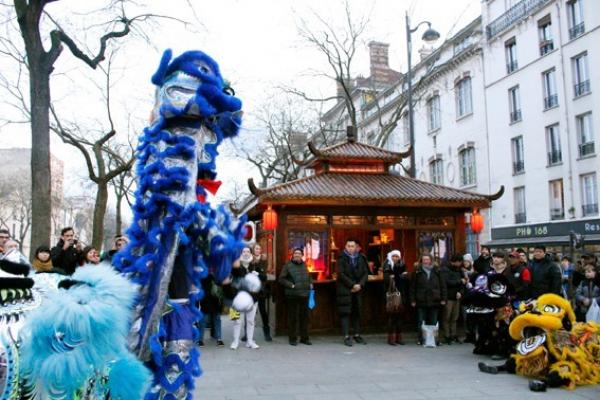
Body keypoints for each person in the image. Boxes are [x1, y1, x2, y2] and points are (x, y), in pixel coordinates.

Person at [225, 247, 260, 350]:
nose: (246, 253)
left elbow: (264, 277)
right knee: (236, 320)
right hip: (236, 298)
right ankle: (235, 341)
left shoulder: (255, 265)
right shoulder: (235, 266)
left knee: (251, 321)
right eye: (243, 251)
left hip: (253, 298)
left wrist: (258, 276)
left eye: (248, 251)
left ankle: (250, 341)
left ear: (251, 253)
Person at [336, 238, 369, 346]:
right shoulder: (341, 258)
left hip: (358, 289)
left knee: (357, 312)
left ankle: (357, 334)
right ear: (345, 247)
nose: (350, 248)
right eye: (348, 246)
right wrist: (352, 285)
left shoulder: (361, 258)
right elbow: (341, 274)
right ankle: (346, 336)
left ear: (356, 247)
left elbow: (365, 273)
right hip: (345, 289)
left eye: (352, 246)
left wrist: (360, 284)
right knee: (345, 313)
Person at [410, 253, 447, 346]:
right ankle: (421, 339)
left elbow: (443, 286)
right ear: (421, 261)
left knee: (434, 321)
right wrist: (413, 300)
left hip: (435, 299)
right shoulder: (417, 272)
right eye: (424, 260)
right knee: (421, 321)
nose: (426, 261)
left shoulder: (437, 271)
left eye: (427, 259)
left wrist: (443, 298)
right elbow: (412, 287)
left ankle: (435, 339)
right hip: (421, 299)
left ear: (431, 260)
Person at [279, 247, 312, 346]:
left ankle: (304, 338)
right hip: (292, 295)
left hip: (304, 294)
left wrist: (310, 283)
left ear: (302, 255)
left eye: (299, 253)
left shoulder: (304, 265)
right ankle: (292, 338)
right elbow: (281, 279)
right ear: (292, 255)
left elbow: (308, 276)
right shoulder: (287, 265)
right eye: (295, 253)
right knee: (293, 318)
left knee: (304, 318)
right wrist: (291, 285)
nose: (297, 255)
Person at [382, 250, 408, 345]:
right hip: (391, 295)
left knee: (400, 316)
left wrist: (396, 276)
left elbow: (406, 278)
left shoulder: (402, 265)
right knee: (392, 316)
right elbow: (387, 280)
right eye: (393, 256)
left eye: (397, 256)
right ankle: (391, 338)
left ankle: (399, 337)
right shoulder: (387, 265)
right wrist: (399, 276)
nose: (395, 258)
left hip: (402, 294)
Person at [440, 254, 466, 345]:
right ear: (454, 261)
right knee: (447, 317)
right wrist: (459, 282)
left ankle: (453, 334)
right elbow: (446, 282)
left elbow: (464, 282)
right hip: (448, 296)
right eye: (459, 262)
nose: (460, 264)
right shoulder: (445, 269)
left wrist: (460, 292)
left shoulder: (460, 270)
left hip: (457, 296)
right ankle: (447, 335)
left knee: (455, 317)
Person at [249, 243, 272, 342]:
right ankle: (247, 334)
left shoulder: (263, 260)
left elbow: (264, 276)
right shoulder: (249, 260)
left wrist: (258, 273)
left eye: (259, 249)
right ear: (253, 250)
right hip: (251, 290)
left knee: (263, 311)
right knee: (250, 312)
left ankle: (267, 333)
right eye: (256, 249)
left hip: (261, 290)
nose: (258, 250)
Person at [198, 273, 224, 347]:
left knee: (217, 319)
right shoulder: (204, 271)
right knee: (203, 320)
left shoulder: (218, 271)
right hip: (206, 299)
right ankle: (200, 339)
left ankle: (218, 338)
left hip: (216, 300)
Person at [462, 253, 477, 343]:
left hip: (473, 296)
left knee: (473, 317)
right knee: (465, 317)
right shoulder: (461, 271)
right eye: (464, 262)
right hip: (465, 296)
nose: (465, 263)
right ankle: (468, 334)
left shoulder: (474, 272)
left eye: (467, 261)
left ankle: (474, 334)